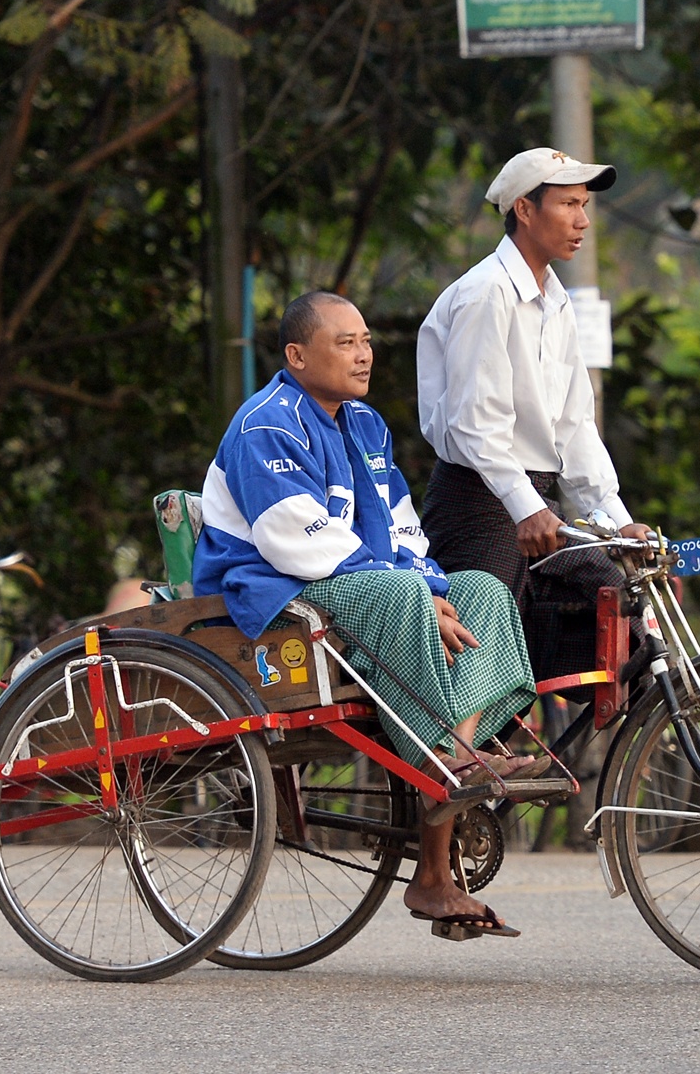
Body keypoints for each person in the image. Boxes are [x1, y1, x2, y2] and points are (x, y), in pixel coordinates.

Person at [193, 290, 536, 937]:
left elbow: (403, 528)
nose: (363, 354)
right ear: (297, 355)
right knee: (406, 596)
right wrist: (412, 593)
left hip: (363, 583)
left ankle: (453, 761)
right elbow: (296, 536)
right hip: (276, 588)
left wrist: (432, 587)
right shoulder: (266, 422)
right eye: (344, 342)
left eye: (367, 341)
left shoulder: (366, 425)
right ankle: (446, 759)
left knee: (482, 590)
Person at [416, 147, 651, 678]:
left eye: (584, 205)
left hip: (535, 507)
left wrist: (617, 522)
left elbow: (574, 427)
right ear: (525, 209)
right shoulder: (486, 294)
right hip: (478, 502)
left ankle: (624, 750)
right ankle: (458, 758)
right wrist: (525, 507)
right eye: (568, 204)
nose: (582, 221)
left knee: (623, 605)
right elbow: (474, 425)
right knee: (479, 657)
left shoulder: (555, 300)